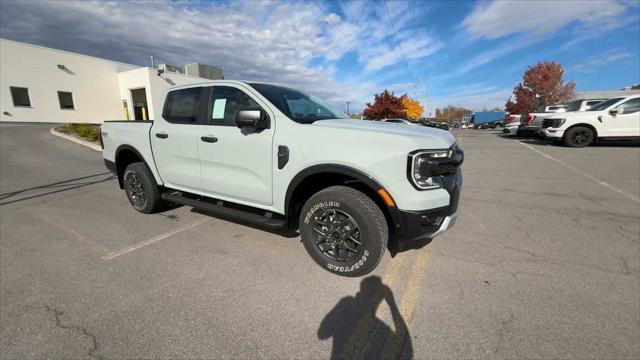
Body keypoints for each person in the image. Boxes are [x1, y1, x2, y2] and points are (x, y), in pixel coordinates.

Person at [318, 276, 413, 359]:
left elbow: (322, 334)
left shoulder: (347, 302)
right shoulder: (348, 303)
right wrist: (392, 304)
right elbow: (406, 351)